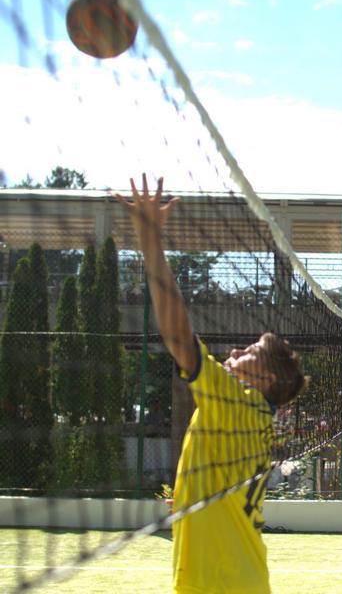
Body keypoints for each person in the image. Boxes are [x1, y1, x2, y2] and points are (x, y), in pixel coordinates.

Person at [117, 175, 307, 593]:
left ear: (266, 378)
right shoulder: (251, 415)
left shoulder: (236, 402)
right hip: (231, 578)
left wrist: (150, 239)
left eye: (251, 349)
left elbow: (179, 337)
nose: (238, 350)